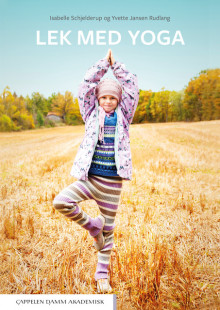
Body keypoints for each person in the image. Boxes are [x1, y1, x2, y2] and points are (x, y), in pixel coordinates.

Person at [53, 49, 139, 293]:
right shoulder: (90, 114)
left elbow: (132, 86)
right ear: (98, 99)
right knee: (61, 202)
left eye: (113, 98)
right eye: (104, 98)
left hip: (112, 184)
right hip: (89, 178)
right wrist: (103, 64)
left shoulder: (124, 117)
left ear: (119, 100)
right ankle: (93, 226)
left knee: (109, 233)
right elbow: (86, 85)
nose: (109, 101)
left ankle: (102, 276)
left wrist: (117, 65)